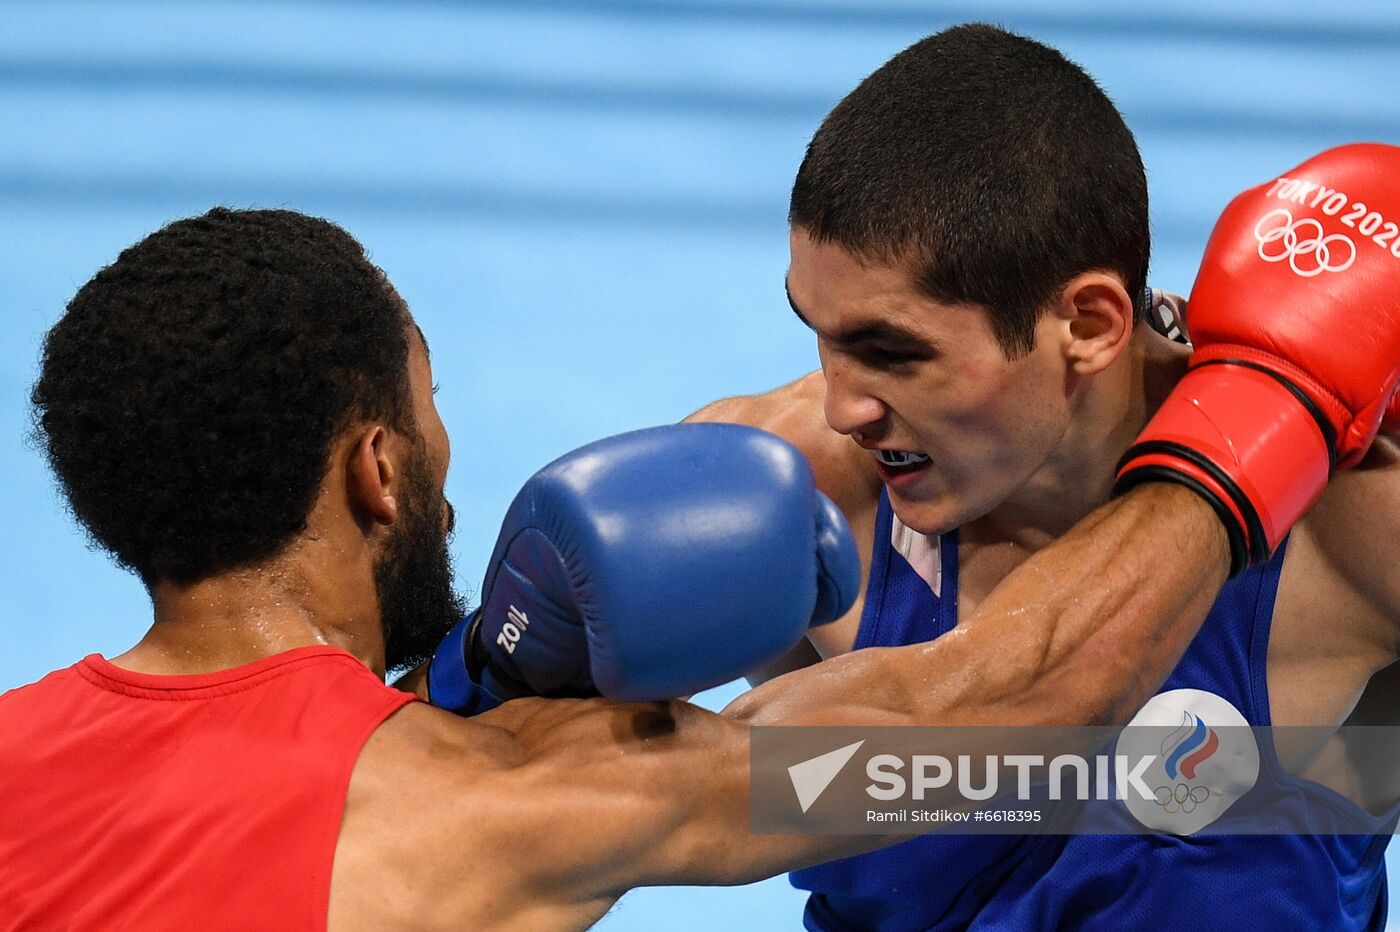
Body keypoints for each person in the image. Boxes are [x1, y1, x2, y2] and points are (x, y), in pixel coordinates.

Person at [0, 155, 1391, 930]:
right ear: (378, 473)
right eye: (429, 414)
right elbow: (1008, 710)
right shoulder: (492, 810)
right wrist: (1261, 406)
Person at [681, 23, 1400, 930]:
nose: (842, 408)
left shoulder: (1345, 541)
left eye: (891, 353)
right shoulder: (786, 499)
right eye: (820, 338)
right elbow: (555, 809)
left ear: (1092, 325)